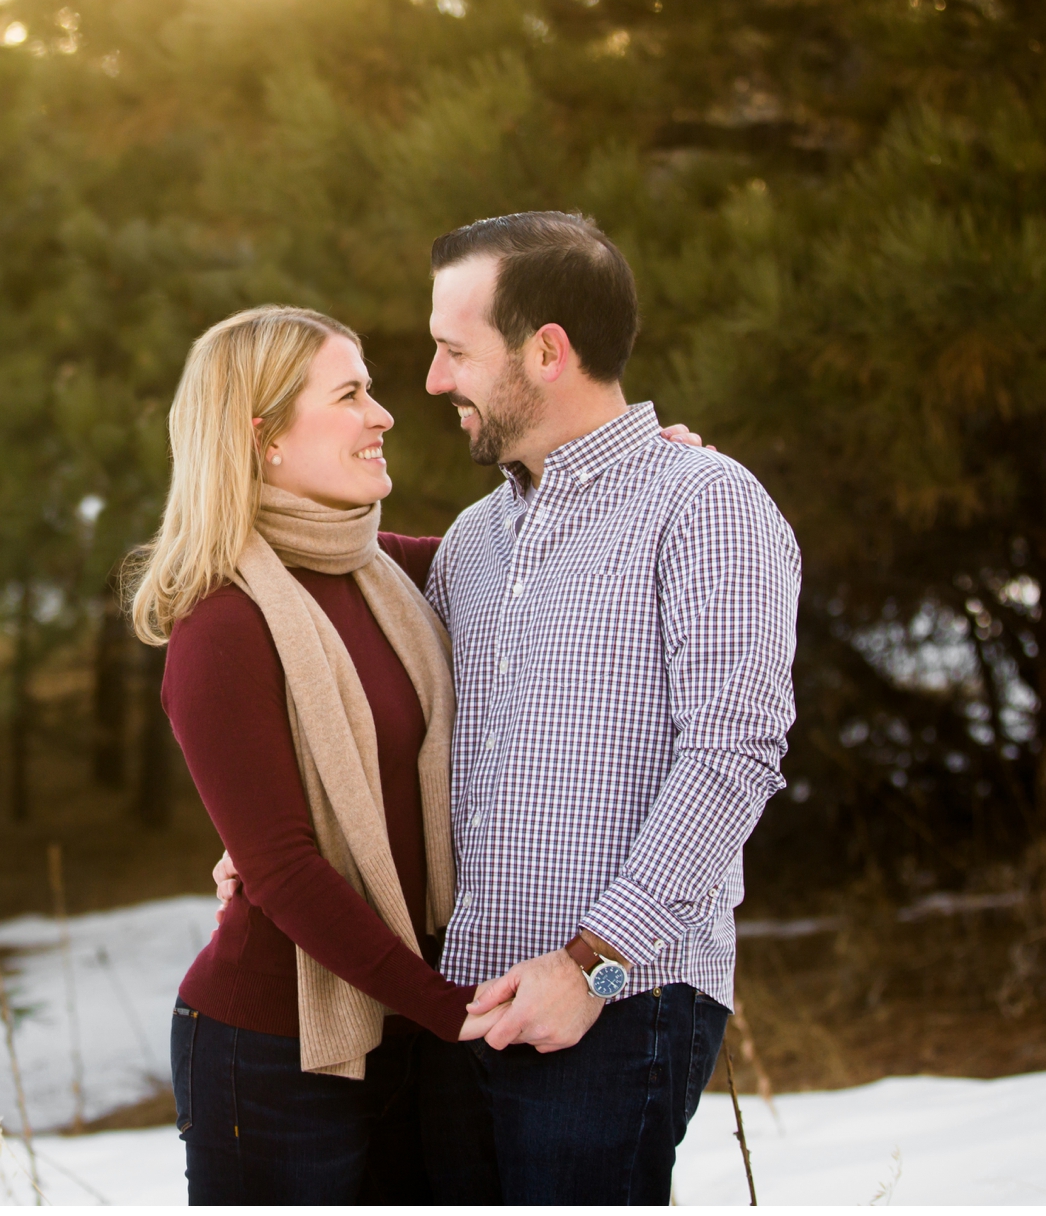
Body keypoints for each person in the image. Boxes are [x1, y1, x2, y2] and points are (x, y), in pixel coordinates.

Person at [212, 210, 799, 1205]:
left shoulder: (704, 505)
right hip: (460, 1005)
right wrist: (274, 830)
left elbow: (733, 758)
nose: (434, 382)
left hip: (619, 1009)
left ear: (548, 352)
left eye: (452, 351)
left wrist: (590, 966)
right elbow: (394, 714)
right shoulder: (477, 546)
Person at [128, 305, 502, 1205]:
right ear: (265, 439)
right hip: (272, 1054)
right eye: (352, 394)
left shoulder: (386, 572)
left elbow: (550, 555)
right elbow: (286, 871)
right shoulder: (222, 626)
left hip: (406, 1029)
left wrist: (643, 474)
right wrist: (452, 1014)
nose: (384, 415)